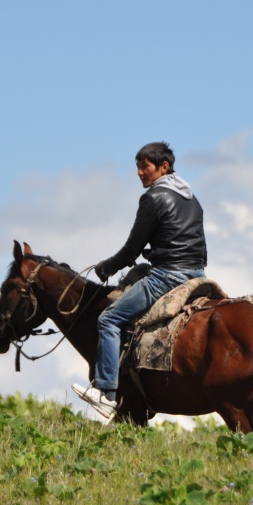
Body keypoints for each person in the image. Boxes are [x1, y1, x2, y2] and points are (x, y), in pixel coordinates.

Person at [73, 141, 207, 418]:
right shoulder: (191, 197)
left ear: (163, 167)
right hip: (197, 273)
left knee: (108, 319)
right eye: (137, 166)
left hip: (167, 276)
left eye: (144, 166)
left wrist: (105, 268)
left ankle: (106, 391)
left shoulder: (154, 197)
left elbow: (132, 249)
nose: (138, 172)